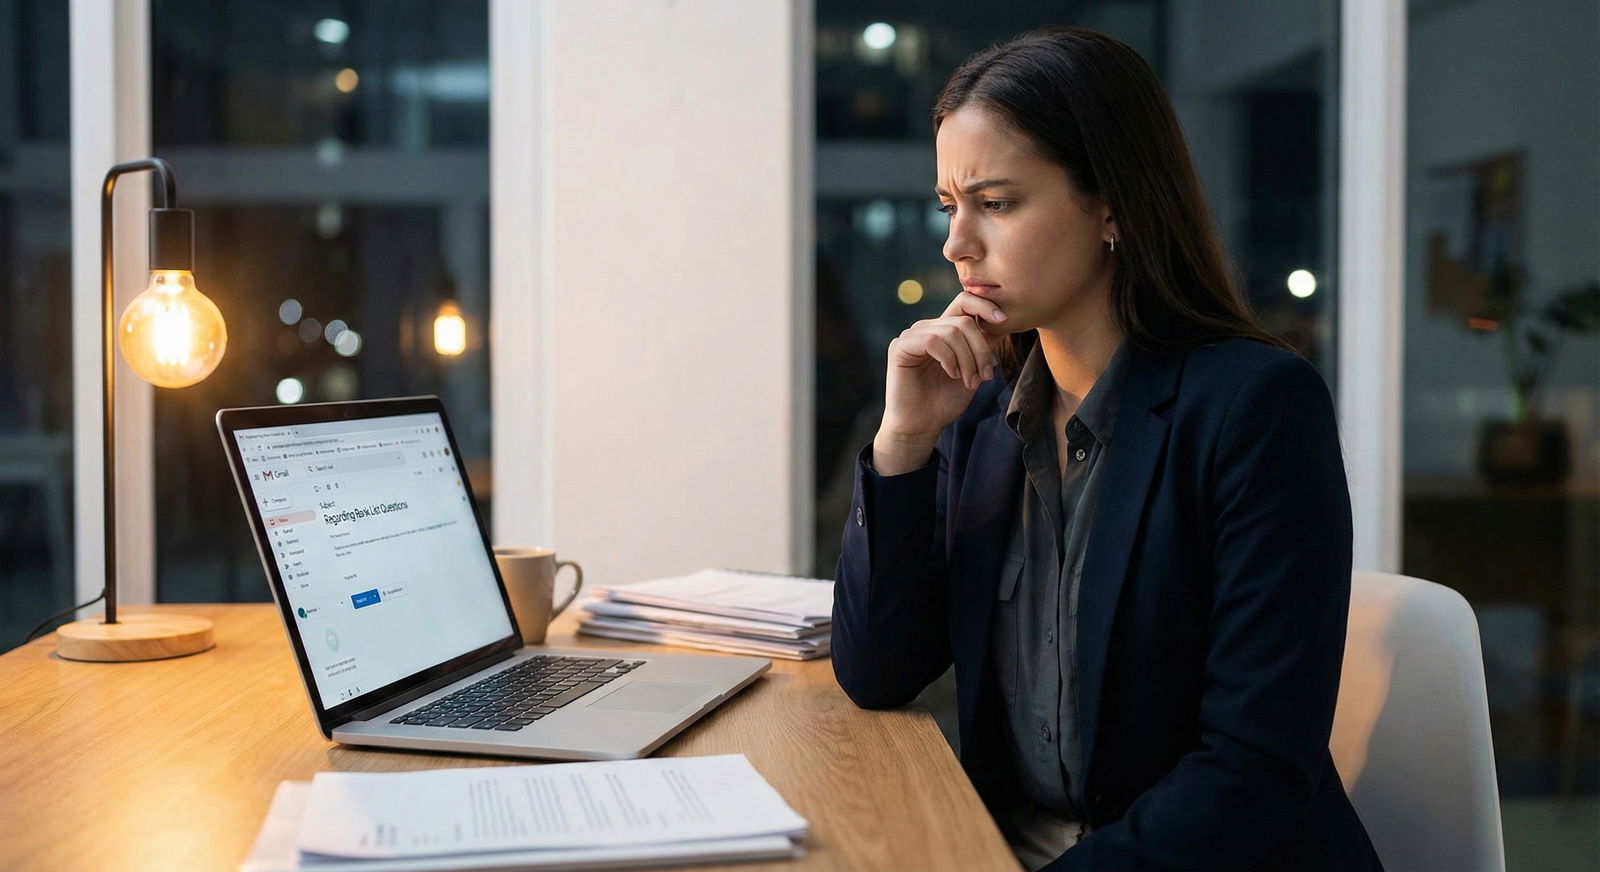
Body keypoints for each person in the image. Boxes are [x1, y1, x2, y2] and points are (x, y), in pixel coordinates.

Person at [831, 26, 1384, 871]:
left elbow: (1253, 771)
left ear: (1114, 207)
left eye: (996, 202)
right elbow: (878, 672)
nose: (957, 242)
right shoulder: (981, 417)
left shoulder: (1254, 408)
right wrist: (903, 441)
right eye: (950, 205)